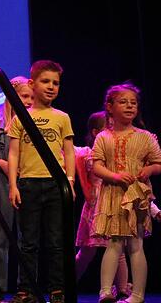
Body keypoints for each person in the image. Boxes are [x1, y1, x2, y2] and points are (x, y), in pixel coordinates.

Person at [7, 60, 75, 303]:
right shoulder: (21, 118)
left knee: (56, 241)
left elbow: (68, 151)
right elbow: (13, 153)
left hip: (55, 185)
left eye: (56, 83)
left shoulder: (62, 117)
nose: (51, 87)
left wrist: (69, 181)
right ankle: (27, 290)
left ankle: (57, 289)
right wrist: (13, 185)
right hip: (28, 185)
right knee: (29, 243)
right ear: (32, 84)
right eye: (45, 81)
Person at [91, 83, 161, 303]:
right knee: (114, 243)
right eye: (123, 102)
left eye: (133, 102)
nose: (130, 106)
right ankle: (105, 291)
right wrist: (115, 176)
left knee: (136, 244)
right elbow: (96, 165)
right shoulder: (103, 137)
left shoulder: (146, 136)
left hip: (136, 197)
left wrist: (148, 169)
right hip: (113, 194)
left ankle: (138, 295)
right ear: (110, 107)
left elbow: (158, 163)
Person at [74, 112, 129, 299]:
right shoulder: (88, 153)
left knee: (118, 247)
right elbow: (67, 150)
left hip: (114, 203)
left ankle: (121, 291)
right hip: (96, 207)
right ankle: (66, 287)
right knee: (87, 253)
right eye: (108, 128)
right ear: (96, 132)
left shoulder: (118, 155)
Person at [0, 76, 32, 302]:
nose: (28, 102)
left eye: (31, 98)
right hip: (2, 181)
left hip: (28, 181)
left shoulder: (35, 122)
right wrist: (2, 164)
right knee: (0, 236)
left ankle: (25, 287)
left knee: (28, 238)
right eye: (24, 97)